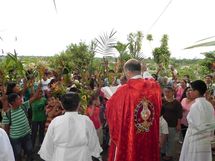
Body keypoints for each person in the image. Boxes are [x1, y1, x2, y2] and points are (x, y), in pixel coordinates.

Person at [106, 59, 162, 161]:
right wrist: (145, 71)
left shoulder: (123, 91)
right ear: (140, 70)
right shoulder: (154, 87)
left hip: (131, 137)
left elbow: (111, 111)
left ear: (127, 71)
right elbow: (151, 80)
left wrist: (111, 101)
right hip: (149, 135)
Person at [38, 92, 102, 161]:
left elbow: (48, 147)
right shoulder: (86, 120)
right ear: (79, 104)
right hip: (82, 156)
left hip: (61, 156)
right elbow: (93, 143)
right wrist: (95, 153)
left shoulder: (55, 121)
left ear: (62, 105)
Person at [179, 80, 215, 161]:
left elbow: (197, 125)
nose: (189, 92)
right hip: (206, 137)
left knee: (193, 156)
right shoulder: (209, 104)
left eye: (191, 89)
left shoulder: (195, 105)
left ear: (197, 91)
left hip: (195, 137)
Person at [161, 86, 182, 161]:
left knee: (170, 140)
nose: (167, 93)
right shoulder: (161, 100)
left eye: (168, 92)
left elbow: (179, 115)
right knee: (162, 139)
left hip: (172, 124)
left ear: (173, 92)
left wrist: (178, 124)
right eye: (165, 92)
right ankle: (162, 152)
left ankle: (169, 154)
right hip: (162, 124)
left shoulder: (176, 102)